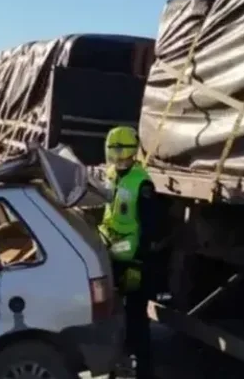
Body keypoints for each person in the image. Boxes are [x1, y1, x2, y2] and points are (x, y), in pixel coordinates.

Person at [98, 126, 162, 379]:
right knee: (114, 320)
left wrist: (139, 262)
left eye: (120, 152)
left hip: (135, 261)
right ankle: (119, 369)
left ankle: (144, 372)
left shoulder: (141, 182)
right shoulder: (111, 175)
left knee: (137, 321)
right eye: (114, 153)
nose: (117, 158)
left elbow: (151, 227)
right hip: (113, 257)